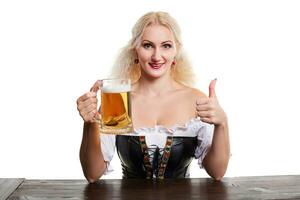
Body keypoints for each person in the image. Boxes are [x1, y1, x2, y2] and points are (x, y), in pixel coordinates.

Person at [76, 11, 230, 183]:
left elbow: (217, 172)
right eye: (148, 45)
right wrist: (90, 125)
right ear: (135, 51)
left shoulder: (194, 99)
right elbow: (92, 174)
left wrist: (222, 124)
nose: (157, 56)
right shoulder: (118, 99)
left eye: (166, 46)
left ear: (176, 51)